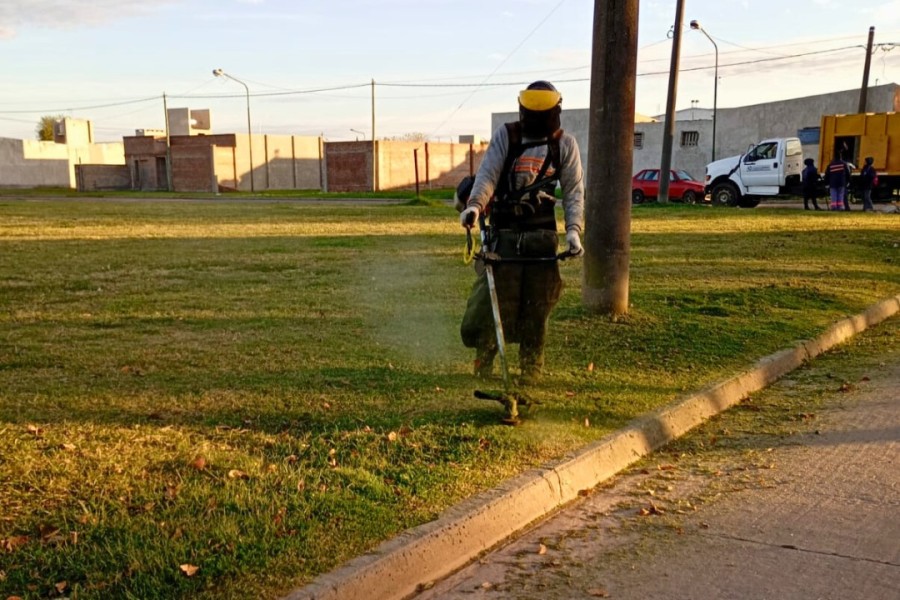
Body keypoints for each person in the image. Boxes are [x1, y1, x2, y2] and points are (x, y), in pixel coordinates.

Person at [457, 80, 584, 384]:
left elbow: (573, 191)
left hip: (541, 236)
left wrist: (574, 232)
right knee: (498, 303)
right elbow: (488, 174)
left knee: (537, 307)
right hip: (505, 235)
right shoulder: (507, 135)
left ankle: (531, 371)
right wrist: (474, 206)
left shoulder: (564, 145)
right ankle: (485, 360)